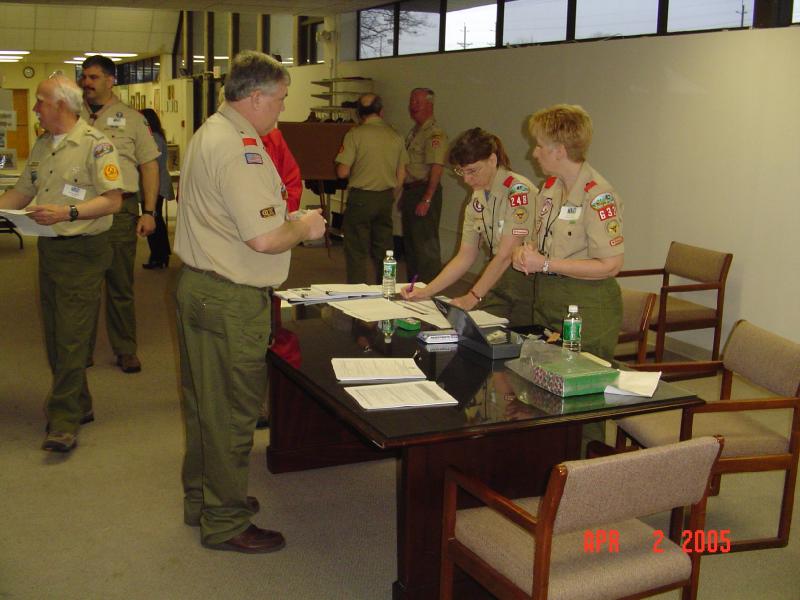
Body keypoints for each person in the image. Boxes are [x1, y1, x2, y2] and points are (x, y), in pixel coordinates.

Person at [174, 50, 325, 553]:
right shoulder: (243, 148)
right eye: (280, 100)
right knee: (233, 413)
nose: (281, 109)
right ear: (255, 97)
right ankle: (225, 519)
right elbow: (264, 239)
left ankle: (206, 498)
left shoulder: (209, 132)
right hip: (230, 298)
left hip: (200, 286)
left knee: (204, 407)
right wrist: (304, 225)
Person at [0, 74, 123, 452]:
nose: (34, 108)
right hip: (51, 251)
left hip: (84, 250)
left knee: (71, 336)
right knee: (57, 334)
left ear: (61, 106)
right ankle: (80, 402)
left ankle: (64, 419)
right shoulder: (42, 145)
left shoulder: (96, 146)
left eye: (40, 101)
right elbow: (22, 191)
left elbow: (113, 200)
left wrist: (68, 212)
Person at [512, 104, 624, 360]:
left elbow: (611, 265)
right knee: (542, 373)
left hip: (586, 306)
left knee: (579, 382)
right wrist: (526, 250)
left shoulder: (597, 195)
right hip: (547, 300)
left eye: (540, 145)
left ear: (560, 151)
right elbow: (541, 237)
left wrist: (546, 263)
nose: (534, 153)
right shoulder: (551, 187)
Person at [400, 128, 536, 326]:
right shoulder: (478, 198)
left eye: (472, 171)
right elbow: (465, 255)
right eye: (461, 172)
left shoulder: (518, 193)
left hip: (526, 283)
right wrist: (426, 291)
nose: (466, 179)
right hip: (497, 278)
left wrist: (472, 297)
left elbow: (506, 255)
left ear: (492, 160)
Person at [80, 54, 160, 374]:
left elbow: (149, 165)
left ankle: (125, 348)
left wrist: (149, 211)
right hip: (81, 209)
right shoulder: (72, 117)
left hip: (120, 209)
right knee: (82, 285)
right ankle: (80, 350)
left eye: (94, 77)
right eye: (85, 77)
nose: (87, 83)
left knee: (120, 285)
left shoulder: (132, 119)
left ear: (112, 79)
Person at [335, 93, 407, 283]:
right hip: (385, 198)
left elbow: (342, 172)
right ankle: (388, 291)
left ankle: (358, 298)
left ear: (359, 113)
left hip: (360, 198)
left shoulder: (355, 135)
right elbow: (402, 174)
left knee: (356, 251)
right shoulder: (396, 136)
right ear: (381, 111)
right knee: (386, 252)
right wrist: (392, 195)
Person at [401, 87, 448, 283]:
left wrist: (427, 199)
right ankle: (414, 288)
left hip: (425, 191)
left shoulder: (434, 134)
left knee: (426, 246)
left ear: (430, 104)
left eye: (417, 102)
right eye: (411, 101)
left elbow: (436, 167)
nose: (413, 106)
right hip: (412, 191)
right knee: (411, 245)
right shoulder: (415, 132)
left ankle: (430, 291)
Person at [139, 108, 174, 269]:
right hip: (156, 184)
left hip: (156, 186)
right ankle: (161, 254)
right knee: (157, 220)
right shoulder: (154, 137)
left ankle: (158, 255)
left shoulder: (154, 139)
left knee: (153, 220)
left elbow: (152, 165)